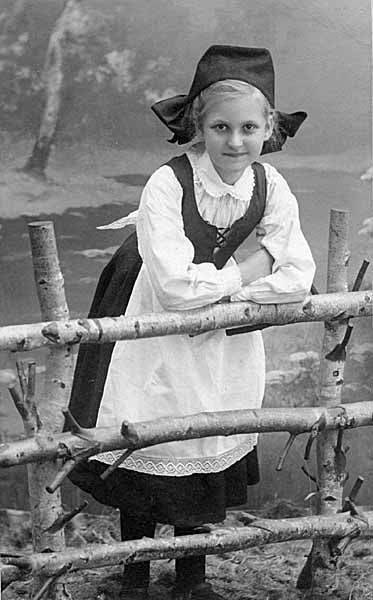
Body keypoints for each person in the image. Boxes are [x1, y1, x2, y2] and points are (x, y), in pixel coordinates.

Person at [67, 46, 316, 600]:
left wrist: (240, 283)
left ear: (268, 128)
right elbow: (176, 289)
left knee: (206, 428)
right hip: (148, 313)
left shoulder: (270, 186)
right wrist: (252, 266)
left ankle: (191, 577)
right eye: (220, 127)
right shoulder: (168, 183)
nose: (234, 141)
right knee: (146, 426)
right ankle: (133, 572)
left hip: (220, 329)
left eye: (249, 127)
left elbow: (299, 274)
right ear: (198, 127)